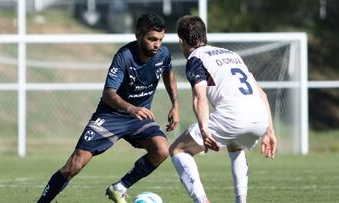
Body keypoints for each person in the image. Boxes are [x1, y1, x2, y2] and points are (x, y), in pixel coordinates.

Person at [37, 14, 179, 203]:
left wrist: (175, 105)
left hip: (138, 119)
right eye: (152, 39)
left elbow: (168, 72)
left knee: (162, 150)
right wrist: (131, 108)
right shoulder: (124, 56)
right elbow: (108, 94)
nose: (157, 45)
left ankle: (119, 188)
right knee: (75, 165)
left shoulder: (163, 54)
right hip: (111, 115)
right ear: (138, 36)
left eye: (160, 39)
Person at [169, 15, 277, 203]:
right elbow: (263, 95)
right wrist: (270, 131)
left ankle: (202, 201)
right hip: (260, 118)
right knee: (236, 145)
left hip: (233, 117)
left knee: (178, 150)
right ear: (205, 35)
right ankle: (241, 200)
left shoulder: (195, 58)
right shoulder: (232, 55)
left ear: (181, 41)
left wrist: (204, 130)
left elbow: (199, 98)